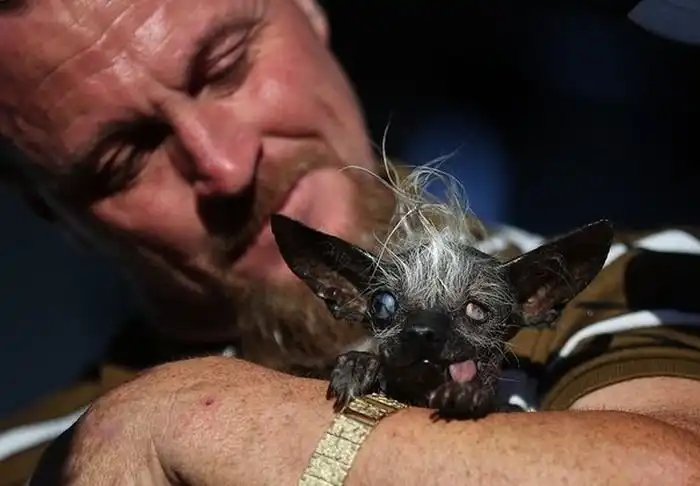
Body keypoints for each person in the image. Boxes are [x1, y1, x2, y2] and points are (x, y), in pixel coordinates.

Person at [0, 0, 699, 484]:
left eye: (227, 66)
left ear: (309, 9)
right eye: (124, 157)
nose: (225, 164)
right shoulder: (21, 459)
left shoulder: (639, 288)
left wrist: (175, 420)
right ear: (54, 212)